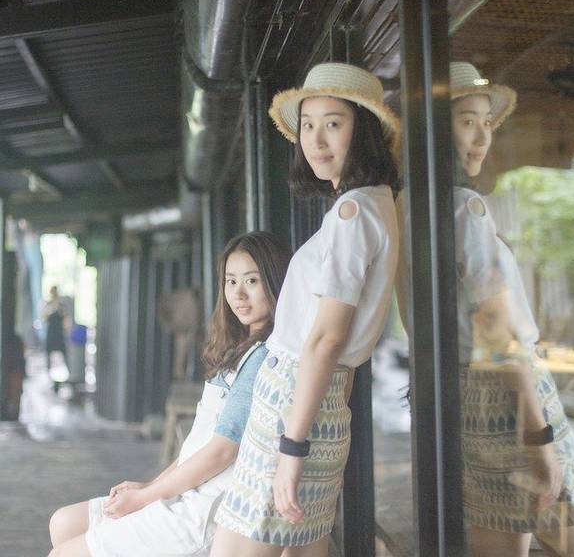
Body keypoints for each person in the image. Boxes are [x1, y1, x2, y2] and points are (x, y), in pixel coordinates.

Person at [210, 62, 400, 557]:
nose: (315, 140)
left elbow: (327, 338)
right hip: (321, 401)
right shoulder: (375, 204)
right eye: (308, 125)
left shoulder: (352, 214)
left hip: (292, 404)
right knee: (304, 546)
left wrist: (292, 447)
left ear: (364, 130)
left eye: (333, 123)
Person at [47, 231, 292, 557]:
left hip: (203, 511)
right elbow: (198, 446)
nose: (239, 294)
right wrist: (151, 486)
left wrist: (144, 498)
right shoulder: (241, 349)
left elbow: (221, 453)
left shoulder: (263, 357)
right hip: (187, 491)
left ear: (275, 282)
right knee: (64, 523)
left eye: (252, 281)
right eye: (231, 281)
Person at [449, 62, 574, 556]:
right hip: (507, 392)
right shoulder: (467, 211)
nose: (481, 136)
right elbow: (495, 336)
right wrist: (540, 439)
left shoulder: (420, 204)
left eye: (486, 123)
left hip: (482, 391)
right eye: (466, 120)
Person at [43, 286, 69, 373]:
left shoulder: (61, 304)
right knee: (48, 351)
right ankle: (48, 369)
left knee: (63, 350)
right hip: (51, 331)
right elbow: (44, 317)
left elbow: (65, 317)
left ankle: (68, 369)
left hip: (58, 331)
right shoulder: (48, 304)